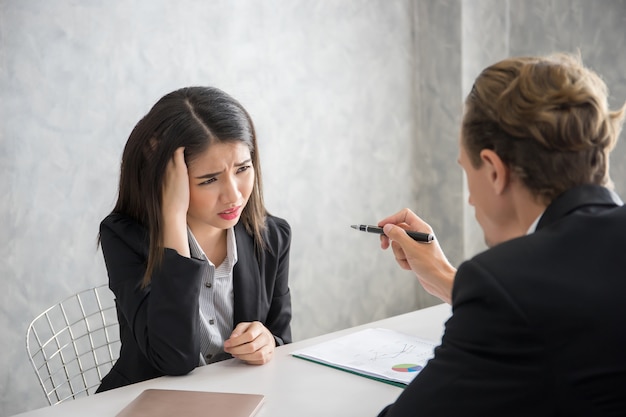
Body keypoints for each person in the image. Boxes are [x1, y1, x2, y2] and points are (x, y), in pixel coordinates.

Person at [376, 53, 626, 416]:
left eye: (467, 170)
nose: (470, 199)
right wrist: (447, 278)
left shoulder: (505, 283)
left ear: (494, 170)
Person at [96, 86, 292, 392]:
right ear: (166, 179)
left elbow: (282, 338)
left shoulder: (272, 236)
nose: (234, 195)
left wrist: (268, 341)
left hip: (240, 400)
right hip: (150, 403)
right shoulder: (124, 237)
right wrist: (172, 218)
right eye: (209, 180)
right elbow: (172, 359)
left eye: (243, 168)